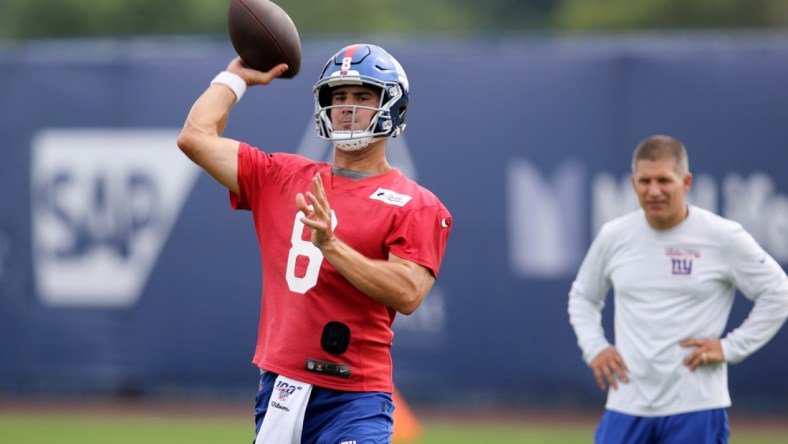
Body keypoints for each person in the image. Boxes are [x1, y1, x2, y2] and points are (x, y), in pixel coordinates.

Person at [177, 44, 452, 443]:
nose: (347, 107)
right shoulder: (282, 175)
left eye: (361, 96)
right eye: (338, 97)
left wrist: (332, 245)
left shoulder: (417, 203)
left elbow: (409, 293)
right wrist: (235, 77)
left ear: (392, 106)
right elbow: (194, 137)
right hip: (280, 390)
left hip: (353, 396)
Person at [568, 135, 788, 444]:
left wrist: (729, 348)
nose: (653, 190)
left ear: (686, 182)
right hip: (627, 403)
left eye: (664, 180)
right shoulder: (614, 236)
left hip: (696, 406)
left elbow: (779, 292)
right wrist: (595, 347)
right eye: (645, 181)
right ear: (633, 184)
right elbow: (583, 296)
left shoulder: (722, 236)